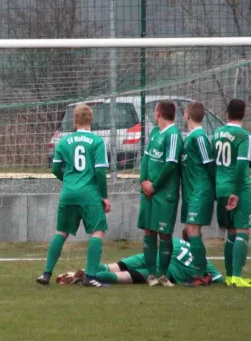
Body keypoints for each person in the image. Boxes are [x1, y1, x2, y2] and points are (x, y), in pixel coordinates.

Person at [36, 104, 111, 288]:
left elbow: (55, 169)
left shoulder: (63, 141)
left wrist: (69, 181)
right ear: (91, 120)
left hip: (68, 194)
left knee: (61, 232)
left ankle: (46, 273)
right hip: (89, 194)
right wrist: (104, 196)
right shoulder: (97, 141)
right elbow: (100, 172)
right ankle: (90, 277)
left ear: (75, 120)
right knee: (98, 231)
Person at [57, 231, 224, 286]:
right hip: (164, 269)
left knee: (113, 266)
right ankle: (85, 277)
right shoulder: (204, 261)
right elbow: (218, 278)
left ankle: (85, 271)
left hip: (151, 254)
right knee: (120, 277)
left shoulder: (176, 241)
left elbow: (163, 245)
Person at [138, 100, 183, 287]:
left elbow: (171, 164)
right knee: (149, 231)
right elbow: (147, 158)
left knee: (164, 234)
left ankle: (163, 275)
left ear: (159, 113)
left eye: (154, 111)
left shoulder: (173, 135)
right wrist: (143, 181)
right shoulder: (155, 133)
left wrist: (154, 185)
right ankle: (151, 275)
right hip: (148, 192)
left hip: (165, 194)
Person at [213, 99, 251, 288]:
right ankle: (236, 276)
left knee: (230, 232)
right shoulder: (244, 135)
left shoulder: (217, 133)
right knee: (243, 230)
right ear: (243, 114)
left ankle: (229, 276)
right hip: (239, 189)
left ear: (226, 113)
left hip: (221, 188)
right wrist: (236, 192)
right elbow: (242, 164)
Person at [180, 102, 215, 286]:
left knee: (192, 230)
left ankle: (201, 274)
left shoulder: (199, 137)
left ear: (188, 115)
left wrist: (212, 190)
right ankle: (202, 272)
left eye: (184, 112)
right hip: (191, 191)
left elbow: (209, 164)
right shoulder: (189, 137)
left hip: (200, 191)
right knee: (191, 231)